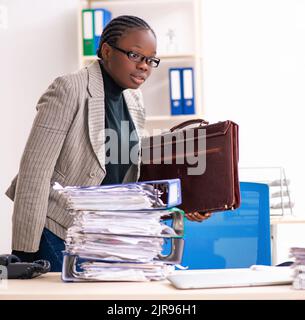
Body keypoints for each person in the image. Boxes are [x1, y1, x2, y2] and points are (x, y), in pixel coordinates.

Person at [5, 15, 210, 272]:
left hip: (106, 236)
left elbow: (131, 174)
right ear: (106, 51)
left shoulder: (135, 99)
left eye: (150, 60)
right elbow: (35, 172)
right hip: (59, 230)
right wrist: (24, 252)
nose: (145, 66)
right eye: (135, 55)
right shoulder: (70, 89)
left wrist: (186, 204)